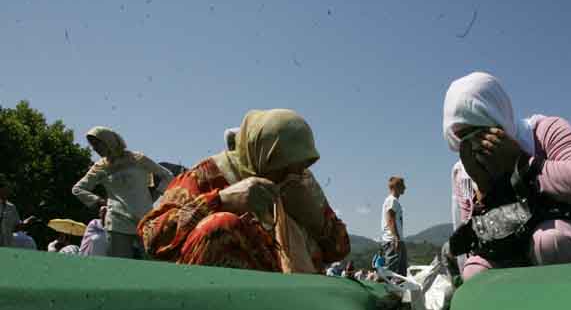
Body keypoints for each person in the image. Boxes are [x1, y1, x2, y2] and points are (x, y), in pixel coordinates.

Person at [443, 72, 571, 279]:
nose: (475, 146)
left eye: (481, 133)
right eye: (463, 138)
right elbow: (472, 242)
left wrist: (522, 163)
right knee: (476, 273)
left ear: (497, 117)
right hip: (514, 251)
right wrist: (484, 189)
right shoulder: (463, 173)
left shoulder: (544, 132)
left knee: (549, 240)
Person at [139, 109, 350, 273]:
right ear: (261, 153)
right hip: (225, 297)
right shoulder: (208, 176)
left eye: (302, 165)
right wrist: (220, 201)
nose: (293, 174)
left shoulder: (302, 183)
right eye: (282, 164)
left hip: (290, 295)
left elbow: (339, 250)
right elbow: (151, 237)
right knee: (220, 226)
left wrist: (315, 219)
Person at [73, 127, 174, 258]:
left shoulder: (138, 159)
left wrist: (154, 196)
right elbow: (78, 189)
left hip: (145, 219)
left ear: (109, 141)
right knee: (119, 266)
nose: (94, 148)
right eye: (92, 145)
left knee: (151, 263)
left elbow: (168, 176)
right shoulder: (99, 167)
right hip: (116, 221)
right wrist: (98, 201)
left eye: (97, 144)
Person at [381, 176, 408, 276]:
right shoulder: (392, 200)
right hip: (393, 240)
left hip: (397, 239)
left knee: (400, 274)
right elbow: (390, 219)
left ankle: (397, 291)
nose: (405, 188)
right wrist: (396, 238)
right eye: (402, 185)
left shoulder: (394, 201)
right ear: (396, 187)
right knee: (392, 273)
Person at [0, 176, 22, 248]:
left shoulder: (12, 207)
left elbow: (17, 226)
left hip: (7, 246)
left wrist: (26, 222)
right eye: (5, 188)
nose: (7, 191)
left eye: (8, 189)